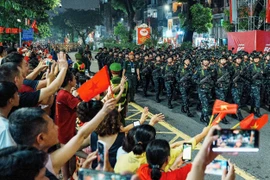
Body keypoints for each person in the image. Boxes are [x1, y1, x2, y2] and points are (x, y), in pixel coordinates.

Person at [9, 98, 116, 179]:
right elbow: (81, 136)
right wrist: (103, 111)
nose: (57, 127)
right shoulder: (45, 164)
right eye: (52, 126)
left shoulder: (19, 164)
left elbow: (81, 135)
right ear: (41, 138)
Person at [55, 70, 81, 180]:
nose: (76, 80)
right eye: (74, 78)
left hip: (64, 129)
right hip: (66, 131)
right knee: (66, 157)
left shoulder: (63, 94)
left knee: (68, 157)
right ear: (70, 81)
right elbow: (81, 106)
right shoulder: (66, 96)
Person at [192, 56, 214, 125]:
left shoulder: (211, 70)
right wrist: (200, 83)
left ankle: (202, 116)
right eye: (204, 60)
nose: (206, 62)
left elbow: (214, 78)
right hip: (201, 90)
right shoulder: (198, 70)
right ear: (202, 62)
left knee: (206, 104)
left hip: (209, 90)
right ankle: (206, 118)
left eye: (207, 60)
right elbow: (193, 79)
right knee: (205, 105)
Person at [0, 81, 19, 149]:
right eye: (17, 94)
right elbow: (9, 156)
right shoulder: (5, 128)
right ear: (11, 100)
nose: (19, 96)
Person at [248, 53, 264, 117]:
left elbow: (263, 73)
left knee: (253, 97)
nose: (256, 59)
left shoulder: (261, 65)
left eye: (257, 58)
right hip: (253, 84)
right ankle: (258, 111)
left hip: (259, 83)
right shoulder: (251, 66)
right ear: (253, 59)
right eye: (255, 58)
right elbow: (248, 75)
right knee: (257, 98)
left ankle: (252, 109)